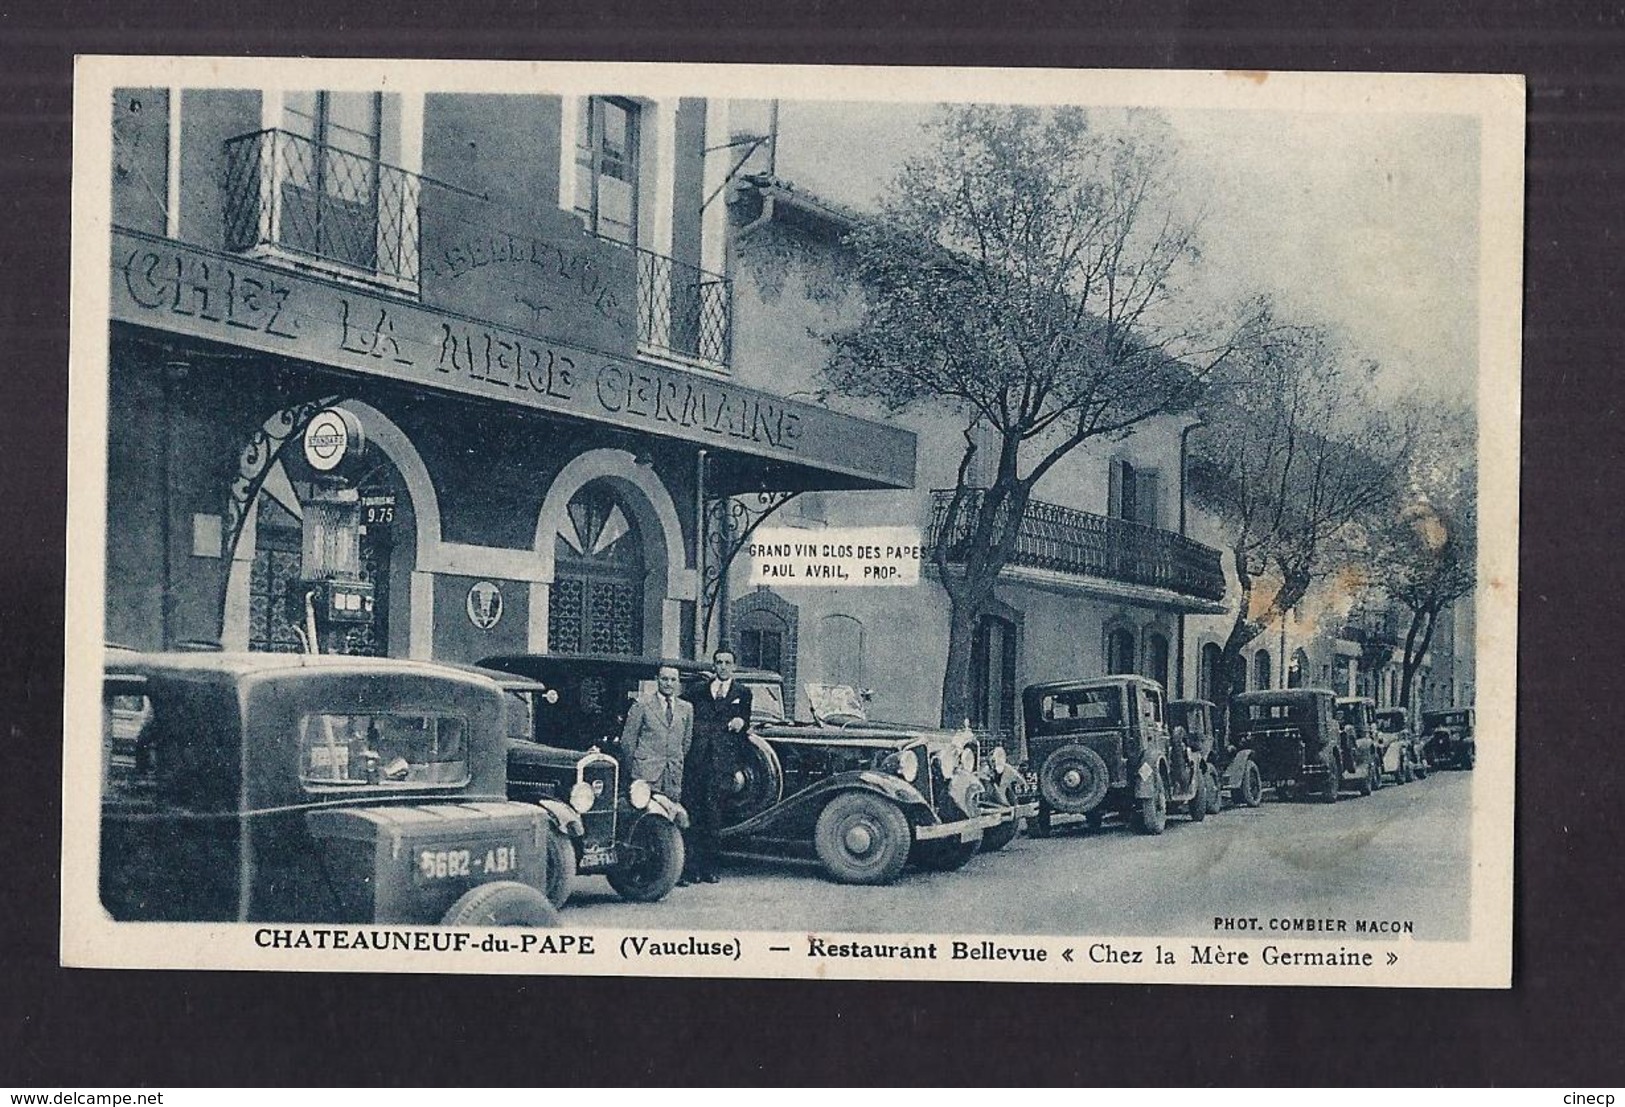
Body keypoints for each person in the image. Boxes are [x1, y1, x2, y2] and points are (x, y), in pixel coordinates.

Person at [681, 648, 753, 885]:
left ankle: (710, 868)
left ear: (734, 666)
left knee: (714, 817)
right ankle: (691, 869)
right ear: (713, 665)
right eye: (719, 662)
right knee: (693, 814)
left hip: (722, 764)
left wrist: (741, 722)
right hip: (697, 761)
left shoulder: (743, 693)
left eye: (727, 662)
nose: (723, 666)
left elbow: (745, 725)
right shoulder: (698, 691)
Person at [619, 665, 693, 801]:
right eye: (664, 679)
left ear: (678, 682)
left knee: (671, 814)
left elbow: (686, 742)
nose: (668, 683)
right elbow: (628, 742)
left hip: (672, 776)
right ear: (657, 679)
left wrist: (675, 760)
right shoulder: (642, 704)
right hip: (645, 774)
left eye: (673, 679)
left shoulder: (686, 708)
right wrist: (637, 768)